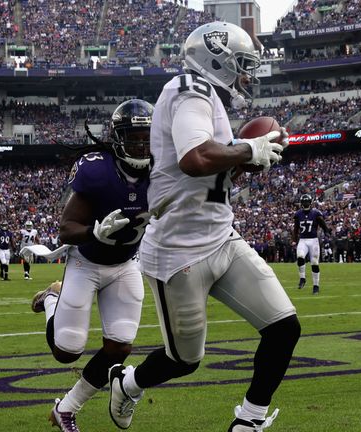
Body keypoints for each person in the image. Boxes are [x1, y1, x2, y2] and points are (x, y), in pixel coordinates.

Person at [107, 22, 300, 432]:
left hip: (222, 238)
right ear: (218, 59)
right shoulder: (187, 89)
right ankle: (128, 382)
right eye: (242, 65)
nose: (246, 75)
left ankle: (248, 421)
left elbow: (212, 173)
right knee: (184, 361)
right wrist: (249, 147)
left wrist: (250, 160)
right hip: (179, 254)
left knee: (284, 328)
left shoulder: (207, 95)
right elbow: (193, 158)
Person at [31, 99, 154, 432]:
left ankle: (66, 408)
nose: (142, 144)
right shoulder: (97, 169)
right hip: (86, 261)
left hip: (126, 263)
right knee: (66, 352)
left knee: (119, 347)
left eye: (147, 136)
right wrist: (93, 232)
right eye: (134, 137)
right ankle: (52, 300)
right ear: (117, 139)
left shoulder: (162, 170)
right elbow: (66, 227)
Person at [293, 193, 331, 294]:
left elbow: (323, 224)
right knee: (300, 256)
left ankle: (316, 286)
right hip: (303, 240)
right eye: (304, 202)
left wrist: (327, 232)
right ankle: (302, 278)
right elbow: (296, 229)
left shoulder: (315, 213)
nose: (305, 203)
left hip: (313, 240)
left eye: (307, 202)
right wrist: (294, 239)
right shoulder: (298, 214)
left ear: (310, 202)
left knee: (314, 262)